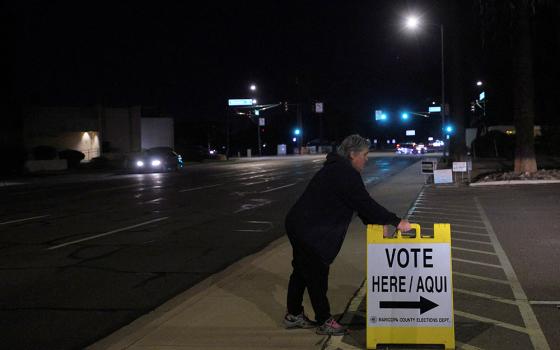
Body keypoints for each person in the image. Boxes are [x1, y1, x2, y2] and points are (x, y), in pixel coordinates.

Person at [283, 134, 411, 336]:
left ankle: (293, 314)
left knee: (301, 270)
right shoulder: (344, 173)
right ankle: (324, 320)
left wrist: (379, 222)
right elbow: (364, 203)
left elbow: (357, 204)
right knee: (316, 273)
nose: (367, 159)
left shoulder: (338, 170)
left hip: (300, 224)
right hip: (309, 230)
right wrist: (396, 221)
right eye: (365, 155)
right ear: (353, 154)